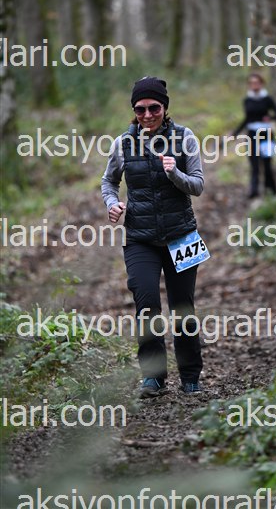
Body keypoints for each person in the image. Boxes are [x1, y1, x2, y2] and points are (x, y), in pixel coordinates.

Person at [101, 76, 204, 398]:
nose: (147, 115)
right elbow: (108, 182)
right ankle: (154, 378)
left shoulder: (185, 138)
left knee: (182, 307)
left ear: (165, 107)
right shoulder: (123, 143)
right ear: (134, 111)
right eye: (140, 109)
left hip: (182, 235)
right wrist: (112, 203)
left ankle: (190, 376)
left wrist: (175, 173)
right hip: (140, 238)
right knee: (146, 305)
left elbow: (198, 185)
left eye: (154, 108)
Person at [233, 73, 276, 198]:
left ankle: (271, 189)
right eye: (251, 83)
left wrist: (270, 117)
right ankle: (254, 191)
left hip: (266, 134)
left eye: (256, 82)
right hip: (252, 134)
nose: (254, 85)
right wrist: (235, 133)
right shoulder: (247, 100)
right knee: (254, 163)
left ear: (261, 83)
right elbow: (247, 119)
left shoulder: (267, 99)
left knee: (267, 163)